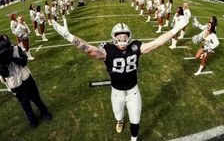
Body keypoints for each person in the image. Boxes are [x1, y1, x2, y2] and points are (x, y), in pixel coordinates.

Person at [52, 16, 189, 141]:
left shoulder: (135, 46)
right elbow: (89, 50)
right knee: (118, 115)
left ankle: (133, 139)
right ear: (113, 36)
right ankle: (120, 121)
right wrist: (68, 36)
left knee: (135, 119)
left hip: (133, 91)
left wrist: (176, 29)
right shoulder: (107, 49)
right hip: (116, 92)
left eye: (125, 36)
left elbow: (157, 43)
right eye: (120, 36)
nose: (123, 39)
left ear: (129, 37)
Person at [0, 35, 52, 128]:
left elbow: (24, 62)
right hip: (15, 84)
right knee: (25, 104)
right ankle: (32, 119)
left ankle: (45, 112)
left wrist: (12, 58)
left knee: (36, 98)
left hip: (26, 78)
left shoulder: (16, 48)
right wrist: (2, 63)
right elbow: (5, 74)